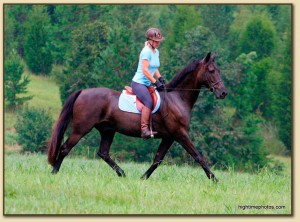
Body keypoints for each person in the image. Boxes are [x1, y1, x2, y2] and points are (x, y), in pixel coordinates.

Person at [131, 28, 166, 139]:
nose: (157, 43)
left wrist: (160, 78)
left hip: (147, 83)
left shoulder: (156, 51)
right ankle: (144, 129)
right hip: (139, 83)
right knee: (148, 101)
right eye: (155, 41)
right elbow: (145, 70)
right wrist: (155, 82)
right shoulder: (146, 51)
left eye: (159, 41)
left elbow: (154, 67)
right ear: (149, 40)